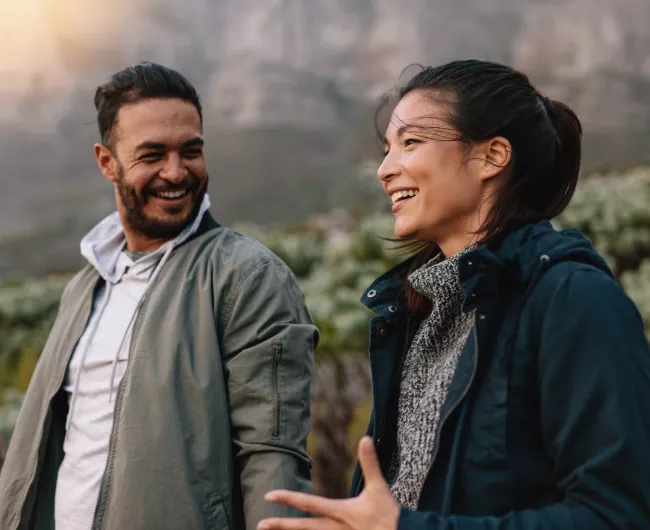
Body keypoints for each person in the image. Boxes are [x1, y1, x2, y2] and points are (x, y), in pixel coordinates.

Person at [257, 60, 650, 529]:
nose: (385, 170)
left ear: (492, 156)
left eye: (411, 142)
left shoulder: (574, 300)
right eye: (387, 149)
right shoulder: (416, 311)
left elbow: (617, 516)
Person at [0, 62, 318, 530]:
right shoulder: (84, 287)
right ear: (107, 162)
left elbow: (273, 458)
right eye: (152, 155)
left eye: (191, 151)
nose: (176, 172)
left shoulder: (248, 276)